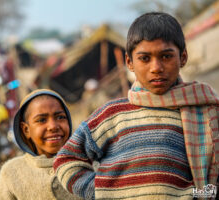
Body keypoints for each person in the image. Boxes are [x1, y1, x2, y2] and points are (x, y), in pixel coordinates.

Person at [54, 12, 219, 199]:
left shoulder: (205, 112)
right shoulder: (111, 114)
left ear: (183, 58)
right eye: (145, 58)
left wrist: (197, 195)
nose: (156, 67)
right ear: (129, 62)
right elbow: (67, 159)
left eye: (166, 56)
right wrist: (101, 191)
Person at [0, 89, 82, 200]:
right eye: (41, 120)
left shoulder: (89, 165)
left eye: (60, 117)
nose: (53, 126)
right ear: (26, 130)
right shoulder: (12, 172)